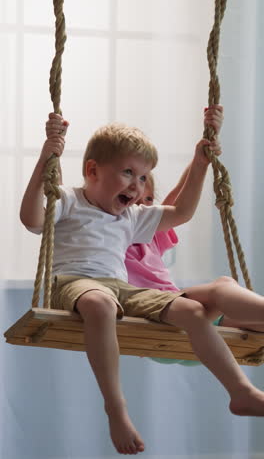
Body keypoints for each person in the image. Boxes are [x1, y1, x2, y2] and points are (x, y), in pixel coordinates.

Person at [20, 109, 264, 456]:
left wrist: (200, 160)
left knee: (193, 310)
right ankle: (116, 409)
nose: (137, 186)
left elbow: (180, 212)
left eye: (144, 177)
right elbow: (31, 218)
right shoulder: (70, 200)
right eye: (128, 173)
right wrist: (47, 154)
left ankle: (241, 392)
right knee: (101, 302)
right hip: (74, 283)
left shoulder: (130, 217)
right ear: (92, 171)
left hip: (123, 289)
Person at [125, 170, 264, 366]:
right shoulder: (108, 234)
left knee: (255, 324)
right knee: (221, 287)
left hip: (189, 320)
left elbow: (176, 202)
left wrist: (200, 161)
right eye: (135, 200)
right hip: (156, 322)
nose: (143, 206)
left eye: (148, 199)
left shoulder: (151, 234)